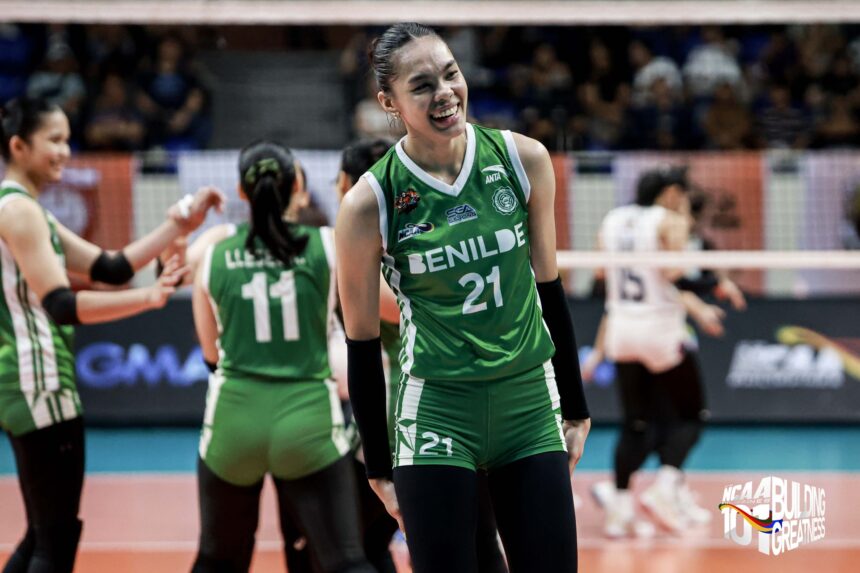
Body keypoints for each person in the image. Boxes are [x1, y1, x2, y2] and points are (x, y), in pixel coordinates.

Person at [336, 23, 590, 573]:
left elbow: (549, 288)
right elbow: (361, 343)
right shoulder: (368, 202)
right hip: (437, 413)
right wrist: (378, 466)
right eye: (422, 85)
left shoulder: (524, 159)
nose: (445, 93)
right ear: (389, 102)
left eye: (450, 74)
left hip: (528, 403)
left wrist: (576, 405)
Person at [0, 96, 223, 573]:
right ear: (18, 146)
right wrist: (149, 298)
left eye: (67, 139)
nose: (65, 151)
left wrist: (176, 225)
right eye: (54, 140)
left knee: (43, 534)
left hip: (26, 379)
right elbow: (61, 305)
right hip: (37, 376)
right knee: (54, 541)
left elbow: (111, 266)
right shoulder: (19, 211)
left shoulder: (25, 209)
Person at [188, 140, 375, 573]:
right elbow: (387, 309)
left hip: (233, 422)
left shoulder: (214, 254)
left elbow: (211, 352)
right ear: (297, 188)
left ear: (241, 191)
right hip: (307, 421)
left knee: (216, 562)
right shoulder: (328, 245)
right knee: (346, 562)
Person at [584, 167, 743, 538]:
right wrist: (717, 283)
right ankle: (665, 488)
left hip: (622, 331)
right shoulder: (668, 220)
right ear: (671, 193)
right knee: (691, 416)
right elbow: (675, 276)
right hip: (659, 333)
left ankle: (620, 508)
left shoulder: (612, 220)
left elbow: (601, 275)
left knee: (636, 424)